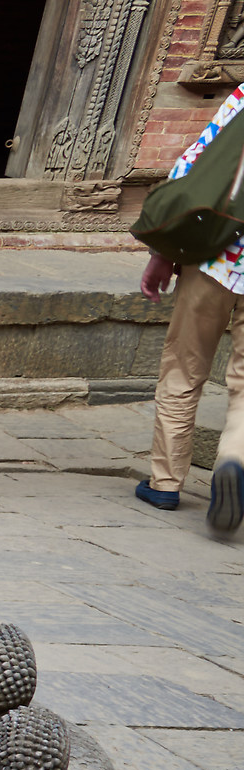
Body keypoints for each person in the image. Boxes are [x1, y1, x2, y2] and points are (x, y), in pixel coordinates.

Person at [140, 80, 244, 535]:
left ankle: (165, 481)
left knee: (184, 366)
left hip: (214, 256)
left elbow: (194, 165)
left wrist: (164, 251)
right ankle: (234, 461)